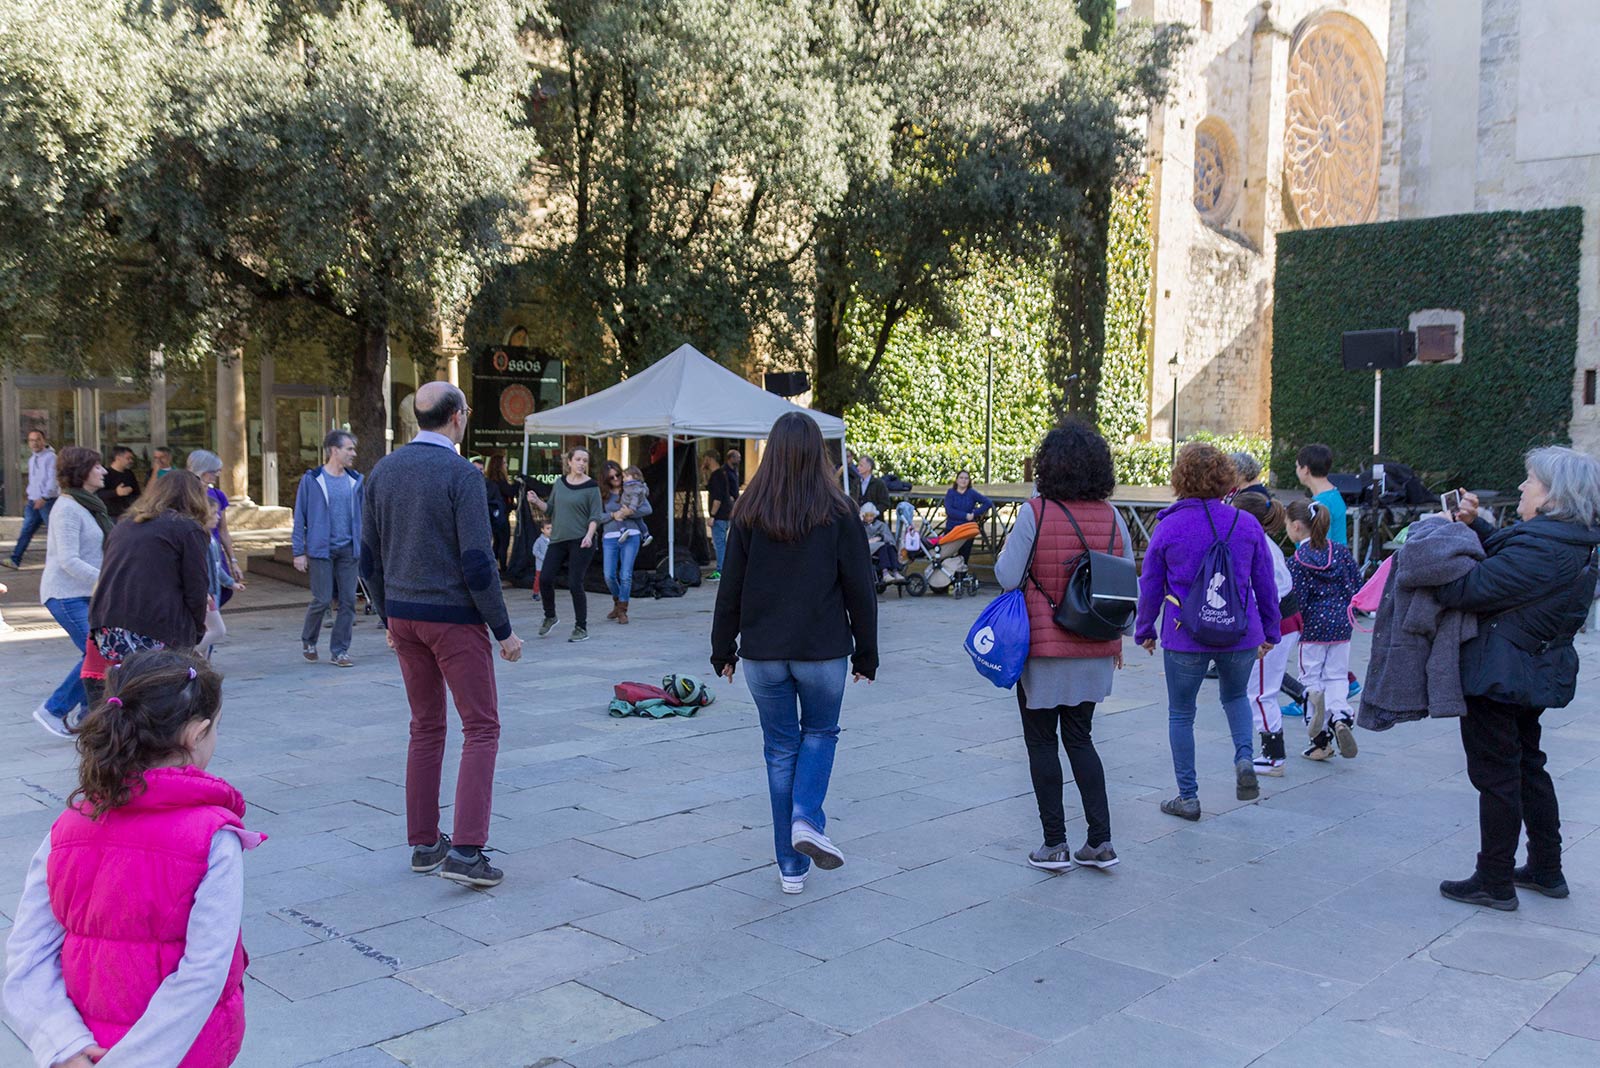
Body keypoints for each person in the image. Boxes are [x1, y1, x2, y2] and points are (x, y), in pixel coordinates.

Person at [3, 650, 262, 1068]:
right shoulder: (213, 838)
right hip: (181, 1053)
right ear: (196, 734)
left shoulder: (66, 829)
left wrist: (63, 1045)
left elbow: (27, 955)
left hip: (86, 1050)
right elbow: (204, 973)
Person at [363, 382, 523, 889]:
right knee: (481, 727)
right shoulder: (461, 474)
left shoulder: (383, 470)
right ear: (456, 417)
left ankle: (425, 843)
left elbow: (367, 559)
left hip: (405, 616)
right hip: (453, 616)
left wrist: (388, 616)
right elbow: (478, 563)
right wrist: (503, 629)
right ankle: (469, 849)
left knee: (425, 726)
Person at [711, 412, 877, 895]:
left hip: (763, 653)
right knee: (821, 732)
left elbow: (731, 588)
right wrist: (866, 653)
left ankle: (790, 869)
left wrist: (723, 649)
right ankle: (807, 818)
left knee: (781, 749)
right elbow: (860, 589)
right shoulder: (841, 510)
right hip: (821, 650)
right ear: (817, 453)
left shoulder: (748, 509)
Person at [1433, 447, 1600, 910]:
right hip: (1531, 667)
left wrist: (1442, 542)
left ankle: (1494, 879)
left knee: (1497, 775)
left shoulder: (1543, 547)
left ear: (1552, 497)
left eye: (1531, 481)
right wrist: (1476, 526)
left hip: (1500, 672)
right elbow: (1513, 567)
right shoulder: (1570, 540)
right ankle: (1546, 868)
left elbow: (1464, 589)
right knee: (1528, 765)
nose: (1523, 488)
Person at [994, 421, 1132, 872]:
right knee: (1081, 738)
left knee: (1040, 743)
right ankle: (1101, 842)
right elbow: (1126, 581)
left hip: (1043, 648)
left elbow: (1006, 575)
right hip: (1094, 646)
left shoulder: (1037, 511)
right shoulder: (1113, 516)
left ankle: (1054, 844)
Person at [1135, 442, 1280, 821]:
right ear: (1226, 478)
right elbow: (1265, 583)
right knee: (1235, 699)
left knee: (1181, 713)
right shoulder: (1247, 524)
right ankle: (1245, 758)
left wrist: (1144, 628)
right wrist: (1271, 630)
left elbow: (1150, 582)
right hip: (1240, 633)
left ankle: (1188, 797)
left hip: (1185, 634)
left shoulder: (1169, 525)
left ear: (1179, 478)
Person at [84, 470, 212, 706]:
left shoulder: (124, 524)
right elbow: (196, 587)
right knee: (156, 697)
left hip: (106, 625)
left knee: (131, 689)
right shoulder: (188, 529)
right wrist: (196, 631)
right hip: (152, 625)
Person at [33, 447, 111, 739]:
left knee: (99, 653)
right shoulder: (67, 507)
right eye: (98, 466)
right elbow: (68, 560)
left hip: (86, 593)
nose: (104, 471)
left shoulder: (89, 504)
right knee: (99, 653)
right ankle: (53, 710)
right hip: (65, 594)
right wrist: (107, 579)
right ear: (82, 471)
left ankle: (87, 716)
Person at [1285, 499, 1361, 762]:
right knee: (1337, 676)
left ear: (1296, 526)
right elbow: (1356, 583)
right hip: (1342, 625)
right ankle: (1341, 717)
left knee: (1311, 680)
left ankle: (1320, 741)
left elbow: (1297, 599)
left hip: (1312, 629)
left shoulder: (1296, 561)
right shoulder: (1340, 552)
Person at [1232, 491, 1299, 776]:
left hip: (1275, 623)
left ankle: (1273, 757)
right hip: (1283, 620)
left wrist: (1261, 634)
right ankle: (1273, 753)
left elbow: (1265, 595)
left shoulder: (1257, 545)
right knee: (1261, 688)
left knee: (1260, 692)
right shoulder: (1264, 542)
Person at [292, 430, 363, 667]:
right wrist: (298, 551)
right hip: (321, 549)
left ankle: (340, 651)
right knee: (322, 600)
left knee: (348, 602)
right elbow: (300, 516)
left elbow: (362, 516)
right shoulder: (312, 480)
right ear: (334, 450)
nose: (353, 453)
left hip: (348, 550)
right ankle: (308, 640)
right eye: (349, 449)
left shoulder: (355, 480)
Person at [527, 447, 604, 642]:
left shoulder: (592, 486)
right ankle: (550, 615)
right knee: (544, 579)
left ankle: (581, 627)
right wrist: (537, 501)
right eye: (577, 459)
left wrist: (589, 535)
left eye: (585, 460)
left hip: (582, 540)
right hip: (559, 538)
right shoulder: (560, 483)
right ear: (569, 462)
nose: (581, 463)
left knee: (574, 582)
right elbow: (550, 509)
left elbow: (596, 516)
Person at [185, 450, 242, 606]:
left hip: (214, 548)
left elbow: (223, 529)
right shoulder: (185, 493)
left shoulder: (217, 494)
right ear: (203, 472)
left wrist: (233, 560)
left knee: (223, 590)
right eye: (214, 472)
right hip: (196, 549)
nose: (217, 475)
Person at [601, 463, 653, 625]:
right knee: (609, 575)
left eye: (618, 475)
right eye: (612, 477)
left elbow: (647, 509)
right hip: (610, 536)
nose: (616, 479)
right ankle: (617, 602)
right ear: (605, 479)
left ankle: (623, 609)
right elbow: (596, 516)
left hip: (631, 534)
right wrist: (613, 514)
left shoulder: (631, 488)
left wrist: (628, 512)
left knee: (626, 574)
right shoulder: (602, 494)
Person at [5, 429, 58, 570]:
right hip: (33, 501)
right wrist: (30, 496)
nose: (34, 443)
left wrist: (45, 497)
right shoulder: (32, 459)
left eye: (37, 439)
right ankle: (15, 559)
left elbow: (53, 480)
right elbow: (34, 481)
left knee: (55, 532)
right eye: (31, 440)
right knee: (26, 531)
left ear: (44, 441)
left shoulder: (51, 458)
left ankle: (59, 561)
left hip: (47, 502)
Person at [1295, 443, 1347, 545]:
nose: (1296, 470)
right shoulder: (1333, 495)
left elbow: (1319, 547)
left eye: (1297, 466)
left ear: (1305, 469)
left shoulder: (1321, 503)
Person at [943, 470, 994, 565]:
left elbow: (988, 502)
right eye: (961, 478)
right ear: (957, 480)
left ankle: (961, 576)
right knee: (946, 555)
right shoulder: (950, 493)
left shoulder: (972, 493)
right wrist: (965, 516)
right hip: (952, 528)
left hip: (967, 530)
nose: (963, 480)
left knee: (964, 557)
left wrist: (975, 513)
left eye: (966, 478)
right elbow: (949, 511)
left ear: (969, 481)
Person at [707, 448, 743, 579]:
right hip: (728, 510)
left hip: (722, 514)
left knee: (720, 543)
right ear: (730, 458)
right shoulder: (725, 472)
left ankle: (721, 570)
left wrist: (712, 515)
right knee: (723, 542)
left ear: (709, 459)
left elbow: (717, 498)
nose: (739, 460)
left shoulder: (719, 475)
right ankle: (725, 569)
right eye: (737, 457)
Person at [484, 454, 517, 571]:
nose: (506, 465)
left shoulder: (491, 481)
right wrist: (518, 483)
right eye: (504, 463)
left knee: (497, 542)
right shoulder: (500, 481)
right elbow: (510, 492)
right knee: (503, 541)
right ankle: (502, 567)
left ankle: (492, 566)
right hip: (502, 515)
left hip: (495, 515)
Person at [96, 445, 142, 520]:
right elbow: (98, 494)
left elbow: (137, 493)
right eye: (128, 458)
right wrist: (116, 492)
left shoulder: (129, 473)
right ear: (118, 458)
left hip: (129, 514)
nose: (131, 461)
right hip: (111, 515)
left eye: (131, 458)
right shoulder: (105, 474)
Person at [859, 502, 900, 583]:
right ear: (863, 515)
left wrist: (880, 537)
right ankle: (885, 573)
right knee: (883, 547)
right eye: (867, 515)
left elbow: (889, 538)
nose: (870, 518)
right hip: (868, 547)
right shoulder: (860, 526)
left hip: (880, 544)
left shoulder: (880, 525)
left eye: (871, 515)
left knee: (890, 547)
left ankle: (896, 571)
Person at [532, 518, 551, 596]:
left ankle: (546, 592)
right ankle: (536, 593)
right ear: (542, 530)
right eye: (548, 528)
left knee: (548, 579)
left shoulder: (552, 540)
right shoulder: (539, 540)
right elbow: (535, 551)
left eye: (551, 528)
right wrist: (543, 558)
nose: (550, 530)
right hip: (540, 565)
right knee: (538, 579)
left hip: (549, 564)